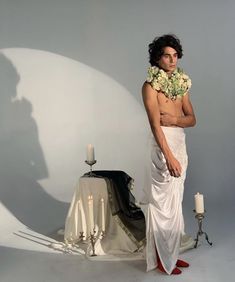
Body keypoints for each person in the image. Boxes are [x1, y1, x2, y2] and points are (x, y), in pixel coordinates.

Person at [142, 34, 196, 275]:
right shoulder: (149, 86)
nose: (172, 60)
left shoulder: (182, 84)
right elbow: (155, 126)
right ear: (158, 58)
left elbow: (192, 119)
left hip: (180, 143)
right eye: (167, 55)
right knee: (161, 204)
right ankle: (162, 259)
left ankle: (172, 253)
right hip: (162, 145)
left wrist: (175, 119)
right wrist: (169, 156)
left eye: (175, 56)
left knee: (175, 202)